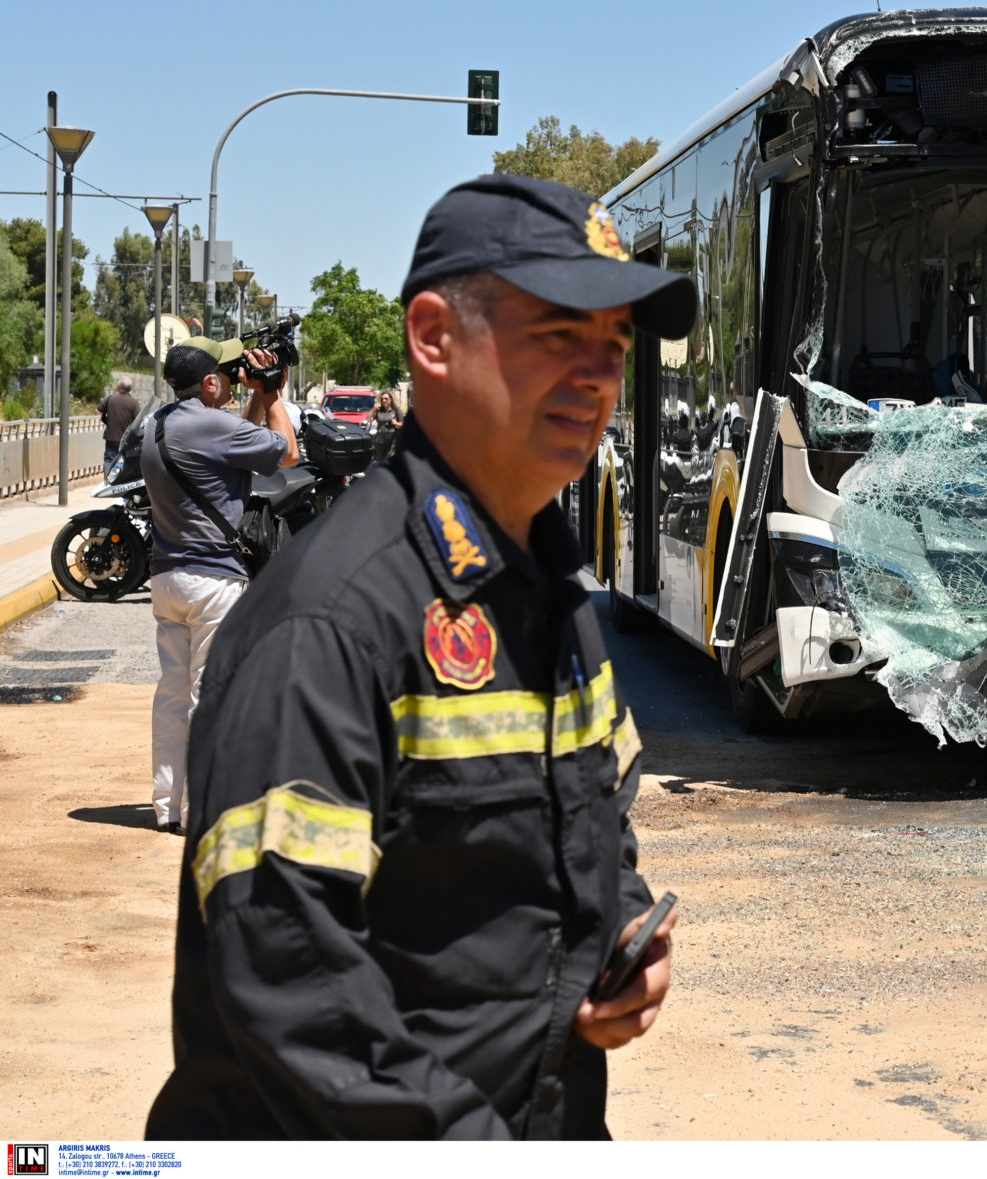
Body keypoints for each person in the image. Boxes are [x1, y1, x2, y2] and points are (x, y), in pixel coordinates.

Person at [147, 174, 698, 1140]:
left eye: (614, 345)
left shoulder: (547, 579)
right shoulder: (334, 618)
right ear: (434, 338)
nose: (600, 377)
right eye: (559, 335)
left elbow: (587, 819)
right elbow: (288, 972)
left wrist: (620, 928)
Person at [140, 340, 297, 835]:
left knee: (172, 696)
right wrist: (271, 394)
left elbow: (239, 440)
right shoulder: (209, 425)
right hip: (211, 581)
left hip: (167, 579)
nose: (232, 380)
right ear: (209, 384)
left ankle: (168, 805)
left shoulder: (159, 424)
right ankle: (203, 807)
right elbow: (286, 453)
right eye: (226, 375)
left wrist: (253, 397)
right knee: (209, 695)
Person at [101, 375, 140, 476]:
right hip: (126, 439)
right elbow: (139, 420)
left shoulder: (110, 399)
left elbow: (98, 411)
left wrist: (106, 420)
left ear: (119, 387)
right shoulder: (134, 403)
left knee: (109, 459)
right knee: (124, 461)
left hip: (111, 437)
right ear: (129, 389)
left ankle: (107, 481)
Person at [372, 388, 403, 460]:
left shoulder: (396, 410)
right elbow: (369, 419)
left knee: (389, 459)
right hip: (380, 439)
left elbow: (403, 424)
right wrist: (374, 409)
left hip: (392, 439)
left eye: (386, 398)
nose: (384, 400)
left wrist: (396, 423)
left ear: (391, 399)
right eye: (382, 399)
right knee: (380, 459)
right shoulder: (379, 410)